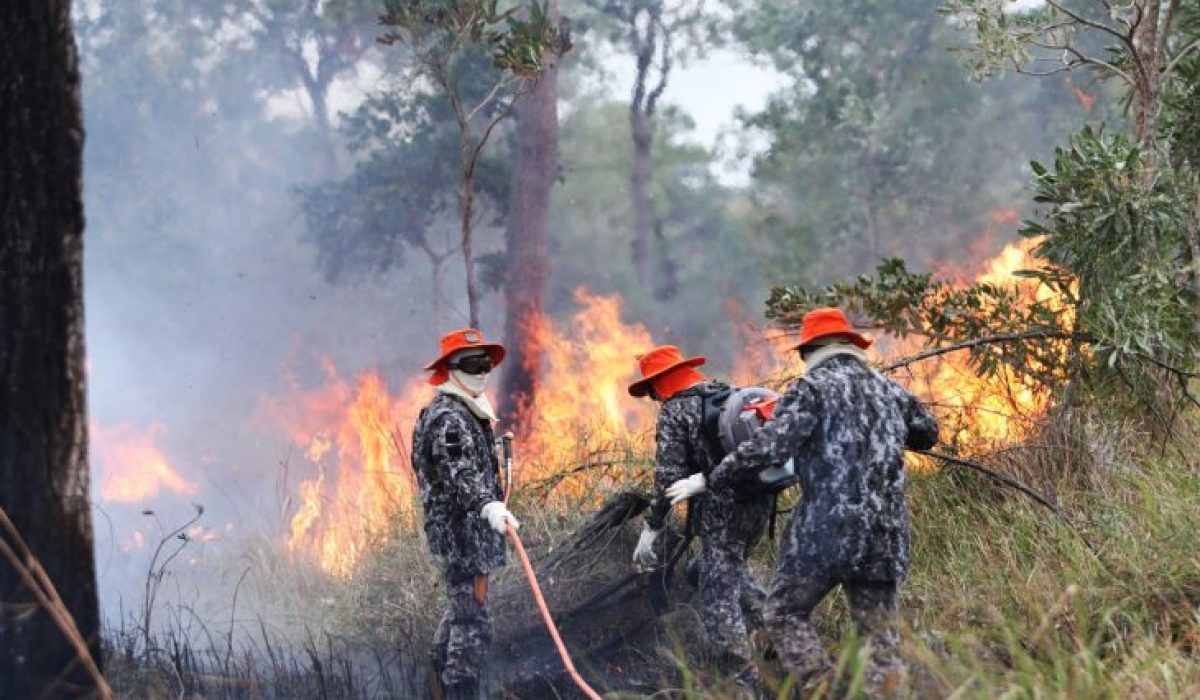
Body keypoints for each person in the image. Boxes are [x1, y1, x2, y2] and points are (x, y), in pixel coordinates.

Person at [709, 308, 939, 697]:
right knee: (880, 641)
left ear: (809, 350)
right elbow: (927, 433)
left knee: (783, 611)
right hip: (884, 533)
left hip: (825, 532)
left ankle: (823, 688)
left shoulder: (811, 389)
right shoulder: (890, 389)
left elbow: (770, 447)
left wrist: (717, 476)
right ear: (850, 346)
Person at [628, 345, 773, 697]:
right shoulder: (728, 393)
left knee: (717, 602)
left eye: (650, 392)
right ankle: (780, 633)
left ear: (659, 385)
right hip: (760, 504)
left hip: (724, 513)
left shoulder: (676, 411)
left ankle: (750, 683)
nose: (653, 398)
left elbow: (668, 479)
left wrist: (652, 527)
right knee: (724, 569)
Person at [411, 328, 520, 700]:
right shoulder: (449, 418)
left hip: (471, 535)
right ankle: (458, 691)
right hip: (464, 538)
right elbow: (459, 474)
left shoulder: (465, 410)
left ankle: (434, 689)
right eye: (472, 363)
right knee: (473, 626)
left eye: (485, 362)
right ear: (450, 369)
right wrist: (487, 505)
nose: (481, 370)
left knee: (461, 615)